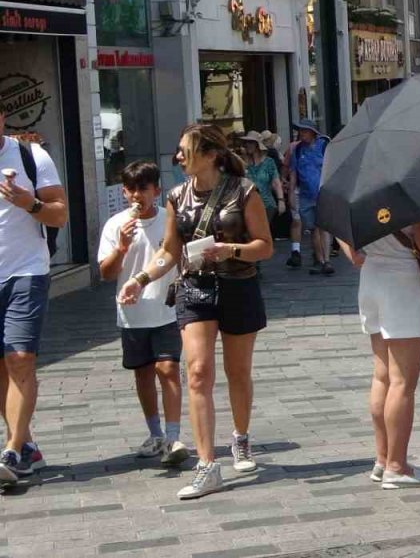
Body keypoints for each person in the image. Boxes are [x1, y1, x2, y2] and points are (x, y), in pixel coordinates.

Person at [119, 124, 273, 499]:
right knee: (199, 371)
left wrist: (230, 250)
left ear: (210, 155)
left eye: (184, 150)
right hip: (195, 289)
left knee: (238, 371)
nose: (178, 157)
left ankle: (240, 438)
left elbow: (265, 246)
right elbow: (170, 250)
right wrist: (140, 278)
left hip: (239, 286)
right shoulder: (175, 196)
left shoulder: (244, 191)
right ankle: (207, 464)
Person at [339, 192, 420, 489]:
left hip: (372, 277)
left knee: (382, 377)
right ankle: (397, 465)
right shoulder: (402, 189)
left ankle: (383, 458)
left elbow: (349, 247)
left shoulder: (357, 188)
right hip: (402, 281)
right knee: (403, 381)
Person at [97, 161, 189, 467]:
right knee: (143, 373)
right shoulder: (115, 225)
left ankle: (174, 437)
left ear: (156, 191)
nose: (138, 195)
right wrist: (121, 248)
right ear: (124, 192)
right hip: (132, 313)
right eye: (132, 189)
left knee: (168, 369)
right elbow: (107, 274)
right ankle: (156, 434)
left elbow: (181, 257)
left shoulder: (169, 220)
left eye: (144, 189)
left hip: (166, 308)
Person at [0, 115, 67, 483]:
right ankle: (25, 445)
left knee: (20, 358)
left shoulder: (31, 156)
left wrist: (30, 203)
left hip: (26, 271)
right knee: (2, 365)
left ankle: (11, 450)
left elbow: (60, 214)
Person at [284, 120, 333, 275]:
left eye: (304, 131)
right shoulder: (297, 150)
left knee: (323, 227)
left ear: (313, 132)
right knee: (313, 229)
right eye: (300, 131)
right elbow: (293, 174)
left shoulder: (323, 146)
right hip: (305, 195)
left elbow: (332, 168)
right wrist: (291, 195)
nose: (301, 134)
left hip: (323, 193)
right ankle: (319, 260)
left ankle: (326, 261)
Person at [240, 132, 287, 224]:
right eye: (246, 143)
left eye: (251, 142)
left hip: (267, 205)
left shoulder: (269, 162)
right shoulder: (243, 163)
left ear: (258, 145)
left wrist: (281, 200)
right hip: (247, 205)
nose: (247, 145)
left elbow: (276, 183)